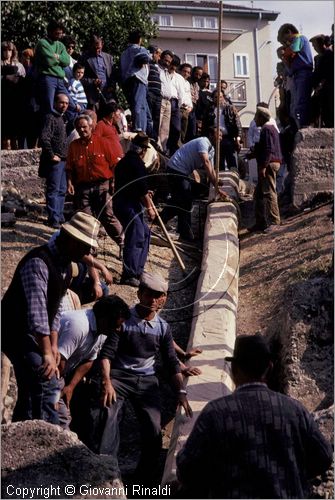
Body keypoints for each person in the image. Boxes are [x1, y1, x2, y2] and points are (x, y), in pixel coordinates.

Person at [176, 334, 333, 499]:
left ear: (234, 369)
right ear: (270, 368)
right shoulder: (295, 409)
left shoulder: (216, 412)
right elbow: (324, 456)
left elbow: (187, 468)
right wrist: (292, 473)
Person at [88, 271, 192, 484]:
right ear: (139, 293)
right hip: (119, 377)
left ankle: (144, 481)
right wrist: (107, 382)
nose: (153, 300)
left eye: (158, 295)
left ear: (164, 298)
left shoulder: (163, 328)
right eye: (149, 295)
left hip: (146, 381)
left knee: (154, 429)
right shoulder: (124, 320)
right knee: (109, 417)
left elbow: (171, 361)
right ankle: (106, 474)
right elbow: (106, 355)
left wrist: (180, 392)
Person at [1, 211, 101, 425]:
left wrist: (54, 347)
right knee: (46, 378)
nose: (87, 253)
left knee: (34, 385)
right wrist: (46, 352)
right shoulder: (38, 263)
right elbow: (37, 315)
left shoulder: (64, 266)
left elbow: (53, 311)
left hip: (34, 332)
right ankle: (45, 433)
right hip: (14, 329)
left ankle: (24, 428)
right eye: (84, 247)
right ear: (71, 241)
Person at [57, 295, 130, 429]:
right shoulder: (78, 326)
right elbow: (59, 360)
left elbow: (89, 360)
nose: (118, 330)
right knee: (61, 418)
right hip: (49, 371)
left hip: (63, 373)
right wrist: (56, 390)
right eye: (116, 325)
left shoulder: (101, 331)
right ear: (105, 319)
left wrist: (71, 387)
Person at [66, 113, 124, 252]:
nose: (82, 130)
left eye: (84, 127)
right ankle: (90, 248)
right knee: (86, 219)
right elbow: (69, 168)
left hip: (102, 185)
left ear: (91, 126)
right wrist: (69, 183)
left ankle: (123, 243)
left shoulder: (103, 142)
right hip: (83, 187)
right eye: (79, 128)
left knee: (108, 216)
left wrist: (114, 183)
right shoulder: (73, 146)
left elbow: (115, 165)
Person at [159, 128, 226, 241]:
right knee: (185, 199)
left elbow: (211, 168)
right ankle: (184, 233)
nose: (220, 138)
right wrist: (216, 186)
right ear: (210, 134)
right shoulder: (203, 142)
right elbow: (205, 162)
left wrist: (216, 182)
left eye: (221, 136)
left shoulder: (212, 150)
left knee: (182, 199)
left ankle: (164, 221)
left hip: (182, 171)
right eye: (217, 135)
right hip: (176, 169)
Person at [113, 132, 155, 287]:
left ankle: (138, 270)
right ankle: (130, 273)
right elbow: (142, 190)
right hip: (127, 204)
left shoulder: (124, 162)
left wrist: (145, 194)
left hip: (123, 202)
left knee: (144, 232)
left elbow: (137, 187)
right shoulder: (137, 164)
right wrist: (150, 208)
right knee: (136, 235)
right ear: (142, 150)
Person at [248, 106, 282, 233]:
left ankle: (274, 222)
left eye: (256, 117)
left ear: (261, 117)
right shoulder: (270, 128)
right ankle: (260, 222)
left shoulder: (267, 129)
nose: (254, 120)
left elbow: (268, 150)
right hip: (271, 162)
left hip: (269, 164)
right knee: (258, 194)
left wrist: (263, 166)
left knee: (269, 192)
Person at [39, 93, 69, 229]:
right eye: (62, 102)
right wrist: (51, 155)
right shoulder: (50, 118)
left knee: (62, 190)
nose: (64, 106)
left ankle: (59, 216)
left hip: (63, 160)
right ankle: (53, 219)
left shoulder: (62, 119)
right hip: (55, 161)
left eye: (67, 103)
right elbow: (44, 138)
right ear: (55, 103)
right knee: (54, 190)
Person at [34, 20, 75, 119]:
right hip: (47, 78)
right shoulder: (42, 43)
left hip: (59, 79)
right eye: (57, 33)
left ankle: (64, 127)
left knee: (72, 105)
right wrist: (58, 59)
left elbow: (66, 61)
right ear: (50, 32)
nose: (59, 35)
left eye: (61, 33)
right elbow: (49, 61)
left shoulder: (60, 45)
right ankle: (47, 129)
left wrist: (58, 57)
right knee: (49, 107)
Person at [277, 23, 313, 128]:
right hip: (297, 75)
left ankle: (304, 126)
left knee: (301, 102)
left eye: (285, 39)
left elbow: (293, 49)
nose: (286, 43)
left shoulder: (299, 38)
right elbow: (289, 66)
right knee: (296, 104)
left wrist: (283, 52)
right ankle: (299, 126)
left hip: (303, 72)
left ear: (289, 32)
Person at [202, 89, 243, 171]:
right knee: (218, 164)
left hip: (229, 138)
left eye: (220, 97)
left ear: (223, 97)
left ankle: (234, 180)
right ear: (213, 99)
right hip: (216, 139)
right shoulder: (209, 110)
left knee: (232, 162)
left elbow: (238, 125)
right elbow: (206, 126)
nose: (218, 99)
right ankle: (219, 181)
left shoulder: (230, 108)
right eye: (216, 97)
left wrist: (238, 139)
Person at [120, 30, 151, 134]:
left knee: (142, 107)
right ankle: (139, 129)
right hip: (138, 79)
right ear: (139, 40)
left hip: (127, 81)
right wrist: (146, 56)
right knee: (139, 106)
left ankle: (145, 129)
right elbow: (145, 58)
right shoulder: (139, 49)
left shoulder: (124, 53)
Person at [78, 35, 116, 116]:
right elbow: (79, 77)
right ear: (91, 45)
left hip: (107, 94)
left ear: (102, 44)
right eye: (95, 48)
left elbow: (113, 75)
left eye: (99, 48)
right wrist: (92, 82)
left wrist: (112, 86)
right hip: (92, 95)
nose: (97, 50)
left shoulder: (108, 57)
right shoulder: (84, 58)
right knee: (93, 119)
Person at [1, 41, 26, 150]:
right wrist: (5, 77)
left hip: (15, 97)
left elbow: (24, 79)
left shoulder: (18, 65)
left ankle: (14, 143)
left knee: (15, 120)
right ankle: (5, 144)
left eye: (9, 50)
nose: (7, 53)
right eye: (5, 50)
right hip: (3, 97)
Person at [158, 49, 174, 153]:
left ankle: (163, 149)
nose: (167, 63)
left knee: (165, 129)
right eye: (166, 60)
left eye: (169, 62)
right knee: (158, 125)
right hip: (160, 100)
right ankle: (157, 148)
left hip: (168, 102)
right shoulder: (157, 69)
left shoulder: (167, 73)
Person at [147, 45, 162, 141]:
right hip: (150, 92)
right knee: (150, 116)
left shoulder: (156, 67)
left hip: (157, 95)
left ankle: (154, 137)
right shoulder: (147, 63)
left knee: (156, 118)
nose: (159, 58)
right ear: (154, 54)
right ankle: (149, 136)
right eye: (159, 55)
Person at [179, 63, 193, 144]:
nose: (186, 74)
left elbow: (188, 96)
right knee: (177, 130)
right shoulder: (177, 78)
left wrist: (190, 107)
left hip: (186, 110)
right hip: (179, 107)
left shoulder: (187, 83)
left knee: (183, 131)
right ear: (181, 71)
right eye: (184, 71)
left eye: (188, 72)